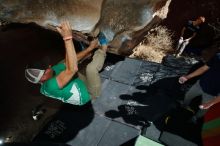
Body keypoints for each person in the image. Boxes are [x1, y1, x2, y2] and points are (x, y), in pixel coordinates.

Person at [25, 21, 108, 105]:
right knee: (90, 69)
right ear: (43, 78)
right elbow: (72, 69)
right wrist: (68, 38)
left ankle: (86, 54)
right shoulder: (50, 87)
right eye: (47, 68)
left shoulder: (51, 72)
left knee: (64, 63)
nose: (50, 66)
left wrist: (88, 50)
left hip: (78, 81)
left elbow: (67, 62)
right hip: (89, 93)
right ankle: (104, 47)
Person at [179, 52, 220, 119]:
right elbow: (204, 68)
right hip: (200, 84)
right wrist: (187, 77)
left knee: (203, 110)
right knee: (188, 96)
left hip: (212, 94)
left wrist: (211, 103)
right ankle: (184, 106)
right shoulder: (218, 56)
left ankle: (195, 118)